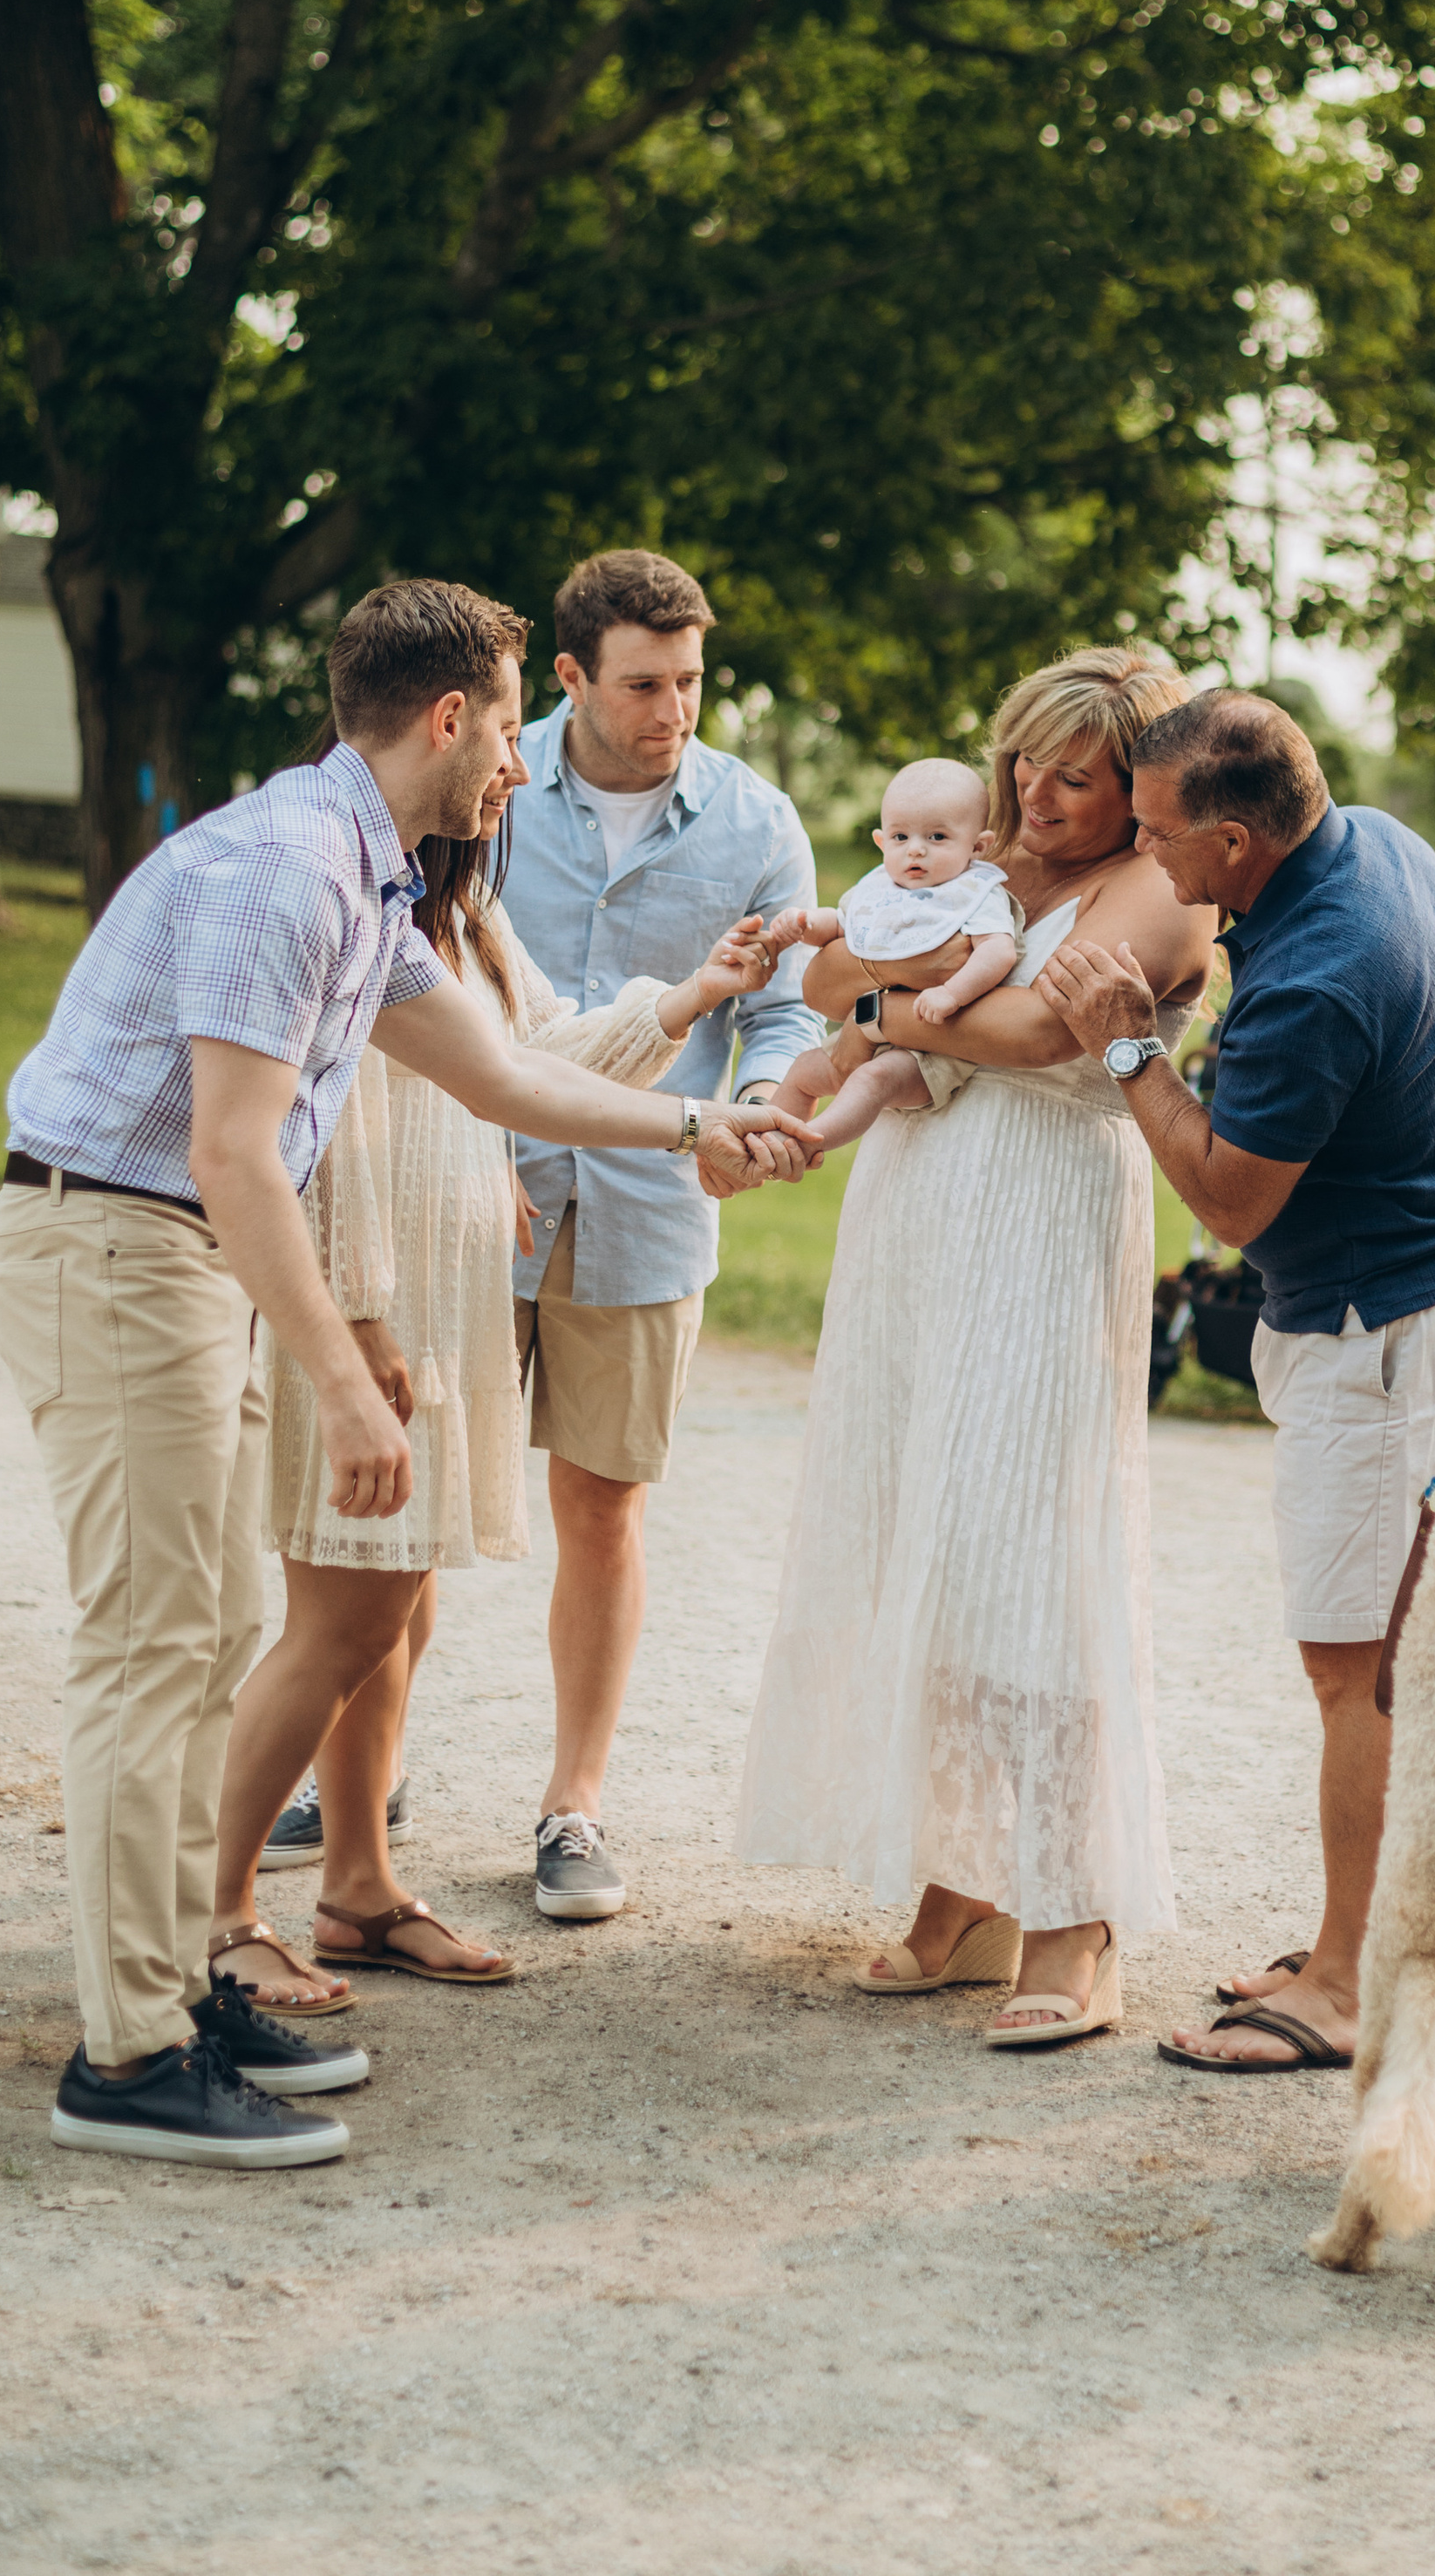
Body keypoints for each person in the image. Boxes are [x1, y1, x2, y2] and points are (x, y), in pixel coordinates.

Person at [0, 577, 813, 2171]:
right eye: (512, 725)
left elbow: (503, 1068)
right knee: (153, 1645)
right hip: (118, 1248)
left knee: (207, 1629)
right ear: (451, 718)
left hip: (168, 1257)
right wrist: (354, 1378)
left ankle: (176, 1989)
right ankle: (130, 2051)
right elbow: (235, 1153)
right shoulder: (287, 875)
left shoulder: (365, 881)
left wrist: (706, 1124)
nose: (522, 760)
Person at [207, 701, 785, 2007]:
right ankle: (219, 1909)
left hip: (442, 1298)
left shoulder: (454, 913)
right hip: (375, 1298)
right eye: (510, 736)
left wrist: (694, 1001)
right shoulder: (335, 901)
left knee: (393, 1614)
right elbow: (323, 1125)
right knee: (343, 1622)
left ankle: (356, 1888)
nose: (521, 766)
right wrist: (358, 1319)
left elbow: (532, 1058)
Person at [1038, 688, 1435, 2074]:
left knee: (1365, 1676)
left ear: (1242, 839)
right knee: (1399, 1668)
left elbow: (1232, 1201)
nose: (1151, 866)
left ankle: (1351, 1984)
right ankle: (1387, 1946)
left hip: (1393, 1342)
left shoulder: (1320, 976)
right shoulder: (1377, 843)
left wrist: (1128, 1045)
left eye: (1160, 837)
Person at [737, 648, 1217, 2045]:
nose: (1038, 795)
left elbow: (1019, 1022)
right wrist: (887, 989)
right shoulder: (987, 858)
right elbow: (832, 964)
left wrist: (889, 998)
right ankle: (962, 1886)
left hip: (1048, 1221)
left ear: (1143, 792)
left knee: (1032, 1554)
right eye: (1025, 765)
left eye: (1078, 778)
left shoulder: (1153, 888)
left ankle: (1079, 1917)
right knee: (922, 1531)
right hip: (916, 1214)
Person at [500, 550, 822, 1926]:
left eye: (690, 682)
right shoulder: (484, 784)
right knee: (410, 1499)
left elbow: (790, 1014)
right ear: (570, 675)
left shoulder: (756, 822)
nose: (673, 710)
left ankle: (574, 1805)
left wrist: (755, 1104)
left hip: (645, 1205)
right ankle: (358, 1772)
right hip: (477, 1188)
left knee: (605, 1507)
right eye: (642, 685)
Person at [756, 756, 1023, 1149]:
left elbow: (998, 952)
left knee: (871, 1080)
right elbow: (843, 925)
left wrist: (952, 994)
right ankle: (763, 1142)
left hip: (933, 1043)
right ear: (882, 841)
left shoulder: (975, 895)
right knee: (805, 1068)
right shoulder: (878, 889)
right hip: (867, 1033)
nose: (915, 851)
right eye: (901, 838)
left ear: (978, 846)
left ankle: (801, 1146)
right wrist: (805, 924)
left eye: (936, 838)